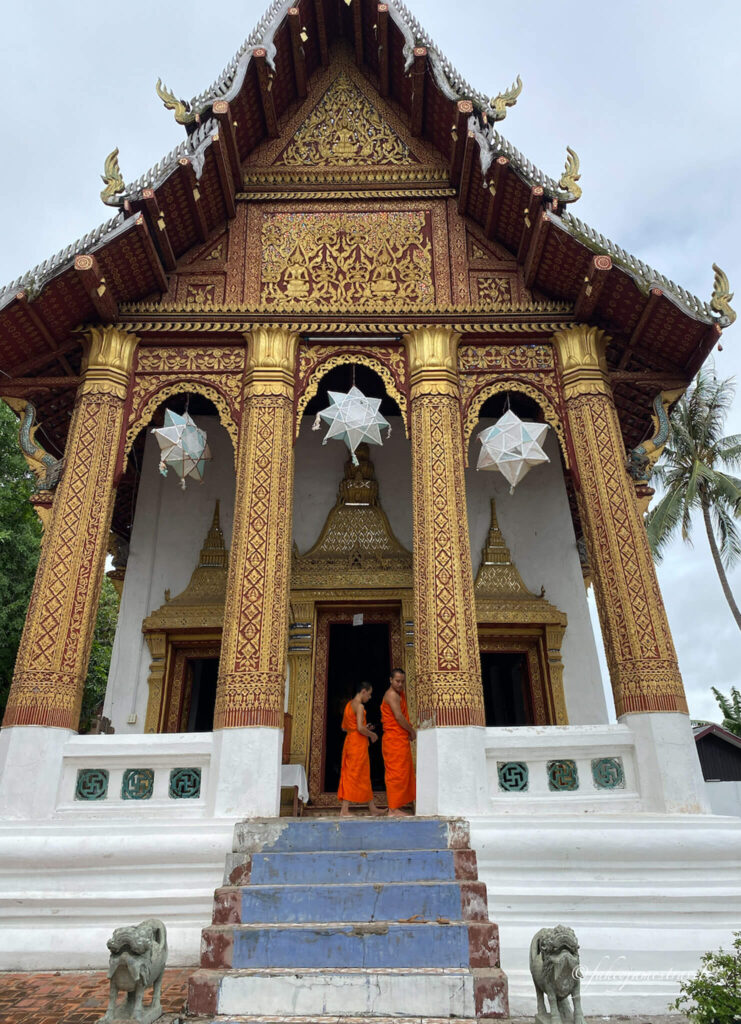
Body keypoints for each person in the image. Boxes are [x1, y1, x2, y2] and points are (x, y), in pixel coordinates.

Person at [337, 683, 385, 817]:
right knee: (353, 774)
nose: (369, 697)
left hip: (350, 741)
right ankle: (344, 810)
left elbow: (345, 728)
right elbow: (359, 728)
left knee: (362, 774)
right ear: (363, 691)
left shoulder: (348, 705)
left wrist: (365, 728)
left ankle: (372, 808)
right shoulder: (359, 706)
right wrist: (372, 734)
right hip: (357, 744)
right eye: (369, 694)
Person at [381, 668, 416, 816]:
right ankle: (393, 809)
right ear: (390, 680)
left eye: (402, 681)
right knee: (395, 773)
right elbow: (399, 717)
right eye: (397, 681)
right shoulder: (391, 695)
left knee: (402, 772)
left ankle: (395, 807)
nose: (400, 684)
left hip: (399, 738)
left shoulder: (399, 694)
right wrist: (412, 731)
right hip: (394, 739)